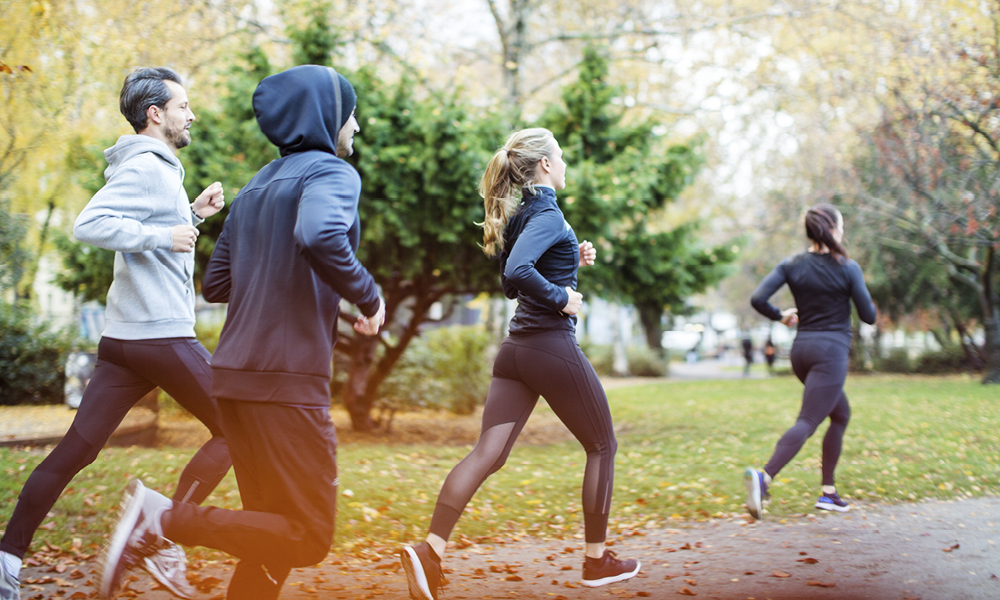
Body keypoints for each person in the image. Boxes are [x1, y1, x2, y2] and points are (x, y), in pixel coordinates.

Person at [97, 64, 385, 600]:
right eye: (351, 115)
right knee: (307, 537)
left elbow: (218, 282)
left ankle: (163, 521)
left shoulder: (254, 188)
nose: (357, 127)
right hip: (286, 384)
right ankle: (160, 519)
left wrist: (292, 286)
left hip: (233, 380)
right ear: (325, 116)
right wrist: (369, 296)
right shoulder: (332, 174)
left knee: (268, 538)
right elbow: (321, 235)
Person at [0, 67, 231, 600]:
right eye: (183, 106)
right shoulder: (150, 167)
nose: (190, 114)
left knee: (77, 450)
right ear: (156, 114)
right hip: (162, 336)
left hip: (125, 340)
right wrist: (162, 233)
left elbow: (159, 240)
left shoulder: (158, 170)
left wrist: (191, 214)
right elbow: (89, 224)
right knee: (239, 428)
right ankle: (163, 535)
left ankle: (8, 559)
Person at [400, 128, 640, 600]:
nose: (566, 162)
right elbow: (517, 274)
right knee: (602, 446)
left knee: (488, 454)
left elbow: (517, 279)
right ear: (545, 165)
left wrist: (573, 260)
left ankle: (430, 551)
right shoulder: (547, 212)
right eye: (561, 156)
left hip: (516, 353)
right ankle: (596, 561)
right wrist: (564, 298)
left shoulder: (526, 212)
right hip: (548, 347)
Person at [743, 203, 876, 520]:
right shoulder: (847, 267)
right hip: (830, 354)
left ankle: (828, 492)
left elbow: (758, 299)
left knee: (840, 414)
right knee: (808, 421)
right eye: (840, 226)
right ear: (833, 229)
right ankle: (764, 477)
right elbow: (868, 316)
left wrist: (781, 316)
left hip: (801, 352)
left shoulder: (792, 264)